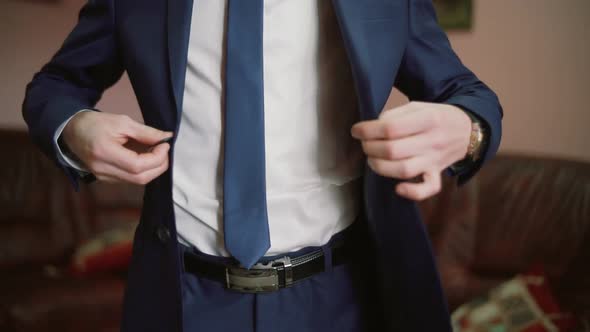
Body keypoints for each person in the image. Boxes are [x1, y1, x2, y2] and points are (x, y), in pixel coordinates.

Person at [22, 0, 502, 331]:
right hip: (183, 298)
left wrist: (467, 128)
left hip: (338, 297)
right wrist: (75, 128)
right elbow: (54, 86)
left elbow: (469, 94)